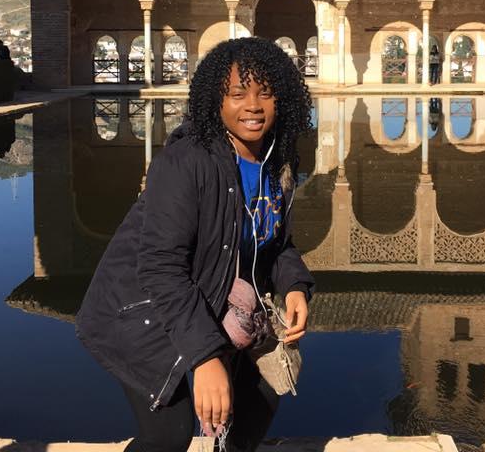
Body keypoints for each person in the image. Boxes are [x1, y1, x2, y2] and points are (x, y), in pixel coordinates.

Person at [76, 37, 314, 452]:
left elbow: (274, 240)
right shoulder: (187, 161)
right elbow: (160, 267)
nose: (253, 106)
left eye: (266, 93)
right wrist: (205, 358)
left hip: (214, 294)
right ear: (215, 102)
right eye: (237, 94)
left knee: (259, 399)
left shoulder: (277, 161)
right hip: (142, 310)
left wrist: (294, 284)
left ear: (285, 99)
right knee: (168, 436)